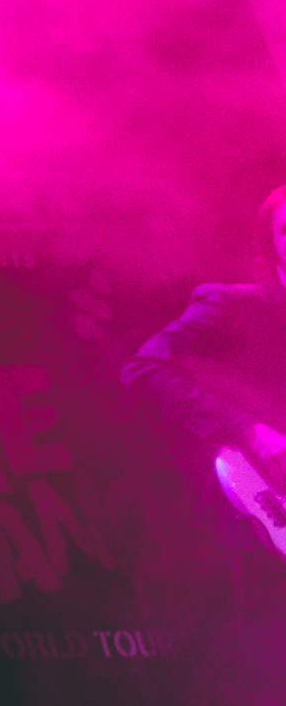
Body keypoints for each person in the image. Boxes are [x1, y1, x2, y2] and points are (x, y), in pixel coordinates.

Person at [123, 184, 286, 489]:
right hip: (265, 491)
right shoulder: (230, 305)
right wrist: (247, 429)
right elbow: (144, 368)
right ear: (271, 245)